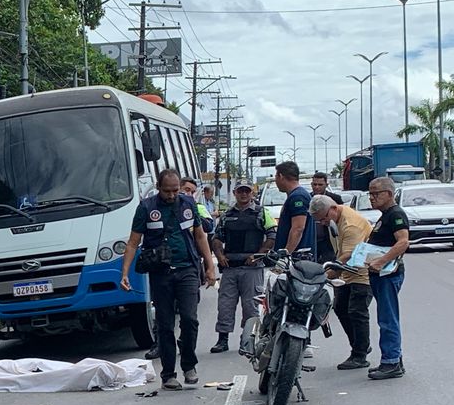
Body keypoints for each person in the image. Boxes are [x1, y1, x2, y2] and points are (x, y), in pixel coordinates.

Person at [121, 168, 217, 389]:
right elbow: (133, 242)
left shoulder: (188, 204)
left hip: (188, 270)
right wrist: (124, 274)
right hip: (161, 274)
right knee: (164, 325)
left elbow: (200, 235)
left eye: (175, 190)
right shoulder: (146, 208)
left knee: (190, 320)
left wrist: (210, 266)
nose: (172, 195)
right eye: (167, 191)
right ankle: (168, 374)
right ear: (158, 187)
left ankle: (189, 364)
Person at [309, 194, 373, 369]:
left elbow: (347, 256)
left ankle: (359, 354)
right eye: (319, 221)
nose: (322, 223)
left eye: (323, 218)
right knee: (340, 307)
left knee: (357, 311)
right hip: (347, 273)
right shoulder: (334, 221)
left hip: (362, 272)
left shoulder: (350, 224)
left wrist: (323, 275)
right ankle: (360, 345)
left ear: (333, 208)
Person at [208, 182, 269, 353]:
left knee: (251, 306)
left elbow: (272, 235)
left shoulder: (262, 212)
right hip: (230, 267)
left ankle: (248, 340)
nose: (243, 194)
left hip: (252, 268)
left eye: (247, 191)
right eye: (240, 191)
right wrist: (219, 256)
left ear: (252, 192)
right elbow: (217, 238)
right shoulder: (227, 215)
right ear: (235, 193)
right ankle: (222, 339)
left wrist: (258, 254)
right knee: (225, 304)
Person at [363, 176, 411, 380]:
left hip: (387, 274)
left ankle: (390, 362)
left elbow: (403, 242)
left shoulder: (396, 214)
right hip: (378, 274)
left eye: (376, 193)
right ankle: (394, 359)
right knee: (386, 316)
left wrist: (381, 261)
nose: (372, 198)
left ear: (389, 194)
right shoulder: (385, 215)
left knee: (387, 318)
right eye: (370, 194)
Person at [260, 161, 314, 256]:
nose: (276, 181)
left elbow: (298, 228)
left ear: (280, 176)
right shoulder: (295, 195)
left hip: (297, 258)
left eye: (276, 177)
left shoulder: (298, 197)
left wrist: (286, 254)